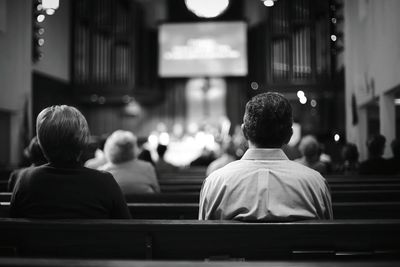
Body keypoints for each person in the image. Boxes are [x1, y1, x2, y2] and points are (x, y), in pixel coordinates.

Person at [199, 92, 333, 221]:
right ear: (289, 135)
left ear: (245, 132)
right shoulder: (316, 184)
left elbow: (202, 239)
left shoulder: (214, 183)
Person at [10, 105, 131, 219]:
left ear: (41, 142)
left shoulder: (26, 181)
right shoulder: (105, 182)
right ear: (83, 140)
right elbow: (127, 230)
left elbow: (12, 229)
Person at [99, 130, 160, 196]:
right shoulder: (147, 167)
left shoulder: (102, 172)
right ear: (134, 148)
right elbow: (157, 192)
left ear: (110, 149)